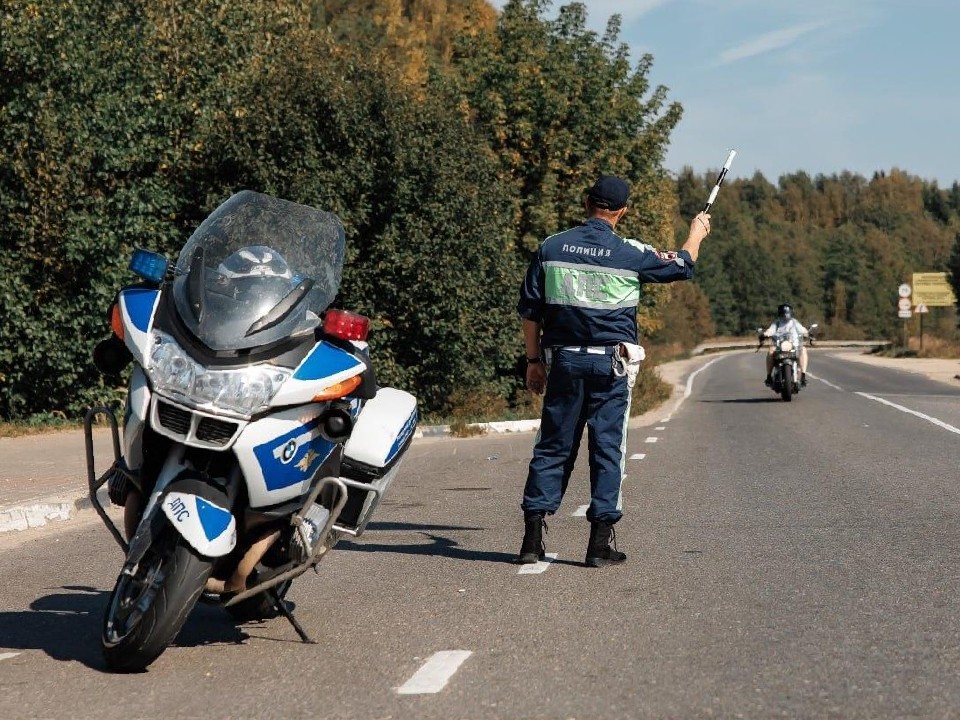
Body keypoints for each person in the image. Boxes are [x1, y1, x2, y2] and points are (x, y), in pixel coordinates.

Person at [516, 175, 712, 567]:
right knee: (607, 448)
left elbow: (530, 311)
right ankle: (598, 545)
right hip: (612, 364)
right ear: (622, 211)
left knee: (553, 445)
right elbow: (683, 265)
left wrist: (534, 362)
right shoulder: (630, 253)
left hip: (564, 361)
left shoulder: (551, 247)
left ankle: (531, 539)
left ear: (586, 202)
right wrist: (697, 233)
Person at [762, 303, 810, 386]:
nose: (785, 316)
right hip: (779, 346)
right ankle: (769, 376)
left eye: (787, 313)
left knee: (804, 350)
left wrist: (807, 333)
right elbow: (770, 330)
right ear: (780, 313)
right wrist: (765, 334)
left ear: (791, 313)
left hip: (794, 345)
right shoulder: (776, 323)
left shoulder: (795, 322)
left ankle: (803, 375)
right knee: (770, 350)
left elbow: (802, 330)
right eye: (784, 313)